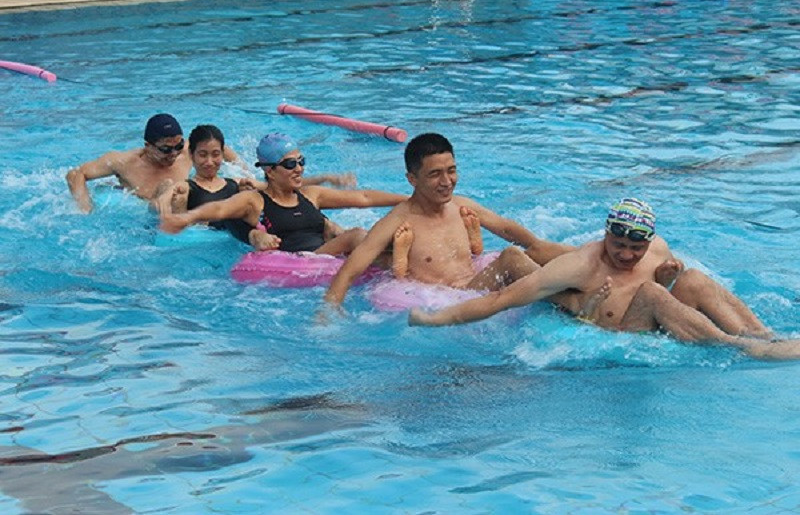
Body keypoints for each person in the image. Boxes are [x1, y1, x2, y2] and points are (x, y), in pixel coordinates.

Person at [409, 197, 800, 360]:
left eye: (636, 248)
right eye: (618, 245)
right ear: (605, 234)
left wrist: (667, 277)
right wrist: (435, 317)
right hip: (622, 329)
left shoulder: (658, 249)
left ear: (648, 242)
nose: (626, 255)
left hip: (656, 318)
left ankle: (762, 335)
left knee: (693, 278)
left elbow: (666, 285)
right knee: (651, 293)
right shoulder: (579, 266)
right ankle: (740, 347)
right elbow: (501, 300)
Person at [322, 133, 569, 309]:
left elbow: (506, 228)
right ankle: (571, 302)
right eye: (435, 174)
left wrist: (538, 246)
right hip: (448, 298)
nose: (447, 181)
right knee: (511, 257)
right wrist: (327, 314)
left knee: (535, 251)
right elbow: (350, 270)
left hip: (476, 283)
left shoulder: (461, 206)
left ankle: (579, 271)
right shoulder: (398, 220)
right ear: (412, 179)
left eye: (451, 170)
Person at [159, 132, 406, 256]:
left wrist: (409, 199)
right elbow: (220, 209)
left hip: (329, 254)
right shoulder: (255, 201)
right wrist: (185, 218)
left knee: (389, 244)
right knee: (357, 236)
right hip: (303, 261)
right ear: (270, 170)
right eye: (290, 164)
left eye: (301, 161)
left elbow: (363, 198)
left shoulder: (311, 194)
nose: (299, 168)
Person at [65, 113, 242, 213]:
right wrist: (85, 209)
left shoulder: (188, 150)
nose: (174, 154)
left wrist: (242, 169)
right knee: (168, 188)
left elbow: (219, 147)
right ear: (148, 146)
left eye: (178, 146)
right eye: (165, 149)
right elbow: (76, 174)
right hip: (146, 212)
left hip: (178, 207)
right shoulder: (124, 162)